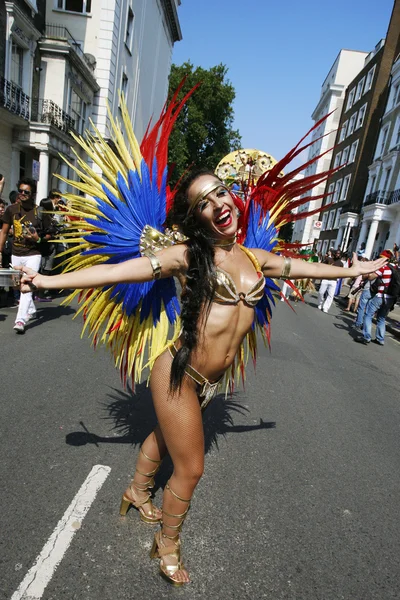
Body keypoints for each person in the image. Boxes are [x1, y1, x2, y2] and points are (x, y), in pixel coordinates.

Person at [18, 170, 386, 585]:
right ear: (197, 218)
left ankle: (136, 492)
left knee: (165, 435)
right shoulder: (189, 255)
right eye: (204, 203)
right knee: (191, 469)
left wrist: (358, 270)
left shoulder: (253, 257)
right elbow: (120, 272)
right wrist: (49, 279)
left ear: (233, 198)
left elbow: (303, 267)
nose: (219, 205)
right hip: (176, 372)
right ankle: (167, 542)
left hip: (208, 383)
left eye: (222, 194)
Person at [0, 177, 52, 333]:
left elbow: (50, 234)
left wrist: (38, 238)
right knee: (17, 285)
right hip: (16, 253)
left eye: (26, 192)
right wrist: (0, 251)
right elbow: (3, 231)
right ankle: (30, 308)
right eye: (21, 191)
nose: (22, 194)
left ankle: (20, 320)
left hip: (33, 254)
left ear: (33, 194)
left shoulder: (40, 212)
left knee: (26, 285)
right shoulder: (11, 210)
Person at [354, 249, 395, 346]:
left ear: (383, 258)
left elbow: (371, 277)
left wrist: (370, 270)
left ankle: (366, 337)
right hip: (390, 298)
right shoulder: (395, 268)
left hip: (380, 296)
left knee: (368, 314)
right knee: (381, 317)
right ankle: (380, 339)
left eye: (381, 257)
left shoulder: (383, 268)